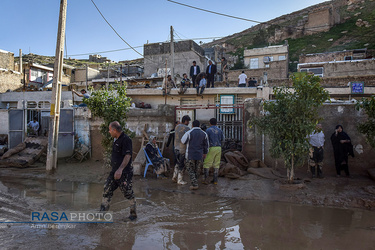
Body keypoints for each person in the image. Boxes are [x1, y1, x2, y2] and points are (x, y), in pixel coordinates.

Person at [99, 121, 137, 221]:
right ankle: (102, 214)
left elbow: (127, 155)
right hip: (114, 172)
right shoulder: (116, 140)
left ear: (114, 130)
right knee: (107, 189)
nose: (109, 131)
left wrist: (120, 169)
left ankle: (133, 214)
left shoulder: (126, 140)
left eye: (110, 130)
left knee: (128, 192)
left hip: (124, 172)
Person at [181, 120, 209, 190]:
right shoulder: (204, 134)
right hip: (200, 155)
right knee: (197, 170)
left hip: (190, 154)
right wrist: (205, 153)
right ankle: (195, 181)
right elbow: (206, 145)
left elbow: (183, 141)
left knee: (190, 169)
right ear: (199, 125)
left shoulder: (189, 133)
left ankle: (194, 184)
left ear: (192, 125)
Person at [203, 118, 224, 185]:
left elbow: (206, 140)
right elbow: (223, 139)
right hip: (218, 148)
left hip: (211, 148)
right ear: (216, 123)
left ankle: (206, 179)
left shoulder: (208, 130)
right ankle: (215, 180)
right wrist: (220, 146)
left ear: (210, 123)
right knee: (216, 164)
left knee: (207, 163)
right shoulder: (220, 130)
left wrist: (205, 149)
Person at [172, 115, 191, 185]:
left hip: (175, 147)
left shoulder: (177, 127)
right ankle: (180, 180)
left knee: (177, 163)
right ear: (186, 121)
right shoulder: (187, 128)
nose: (188, 122)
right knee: (181, 164)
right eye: (188, 121)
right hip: (182, 149)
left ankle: (174, 176)